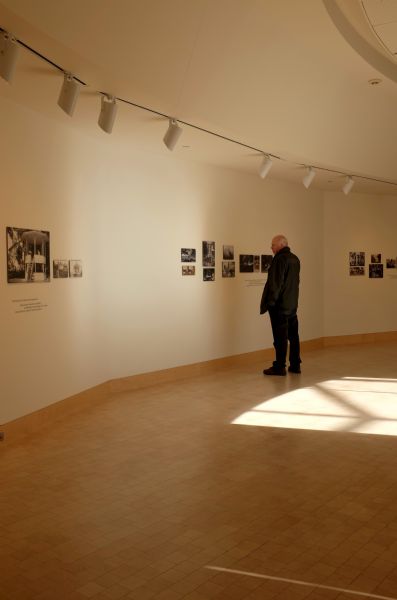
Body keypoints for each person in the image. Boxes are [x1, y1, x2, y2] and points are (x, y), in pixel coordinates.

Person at [260, 234, 301, 376]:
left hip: (280, 307)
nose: (271, 247)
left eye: (273, 245)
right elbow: (294, 284)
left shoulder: (279, 259)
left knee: (280, 338)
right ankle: (295, 365)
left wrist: (271, 303)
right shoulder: (295, 259)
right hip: (292, 305)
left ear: (281, 245)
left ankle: (279, 366)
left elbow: (276, 284)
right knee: (293, 336)